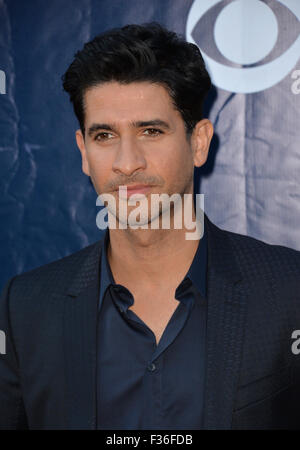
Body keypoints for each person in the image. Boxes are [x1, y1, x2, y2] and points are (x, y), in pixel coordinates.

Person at [0, 23, 300, 431]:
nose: (127, 161)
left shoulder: (288, 290)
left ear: (198, 142)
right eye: (104, 135)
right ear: (83, 152)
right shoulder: (26, 308)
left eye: (150, 131)